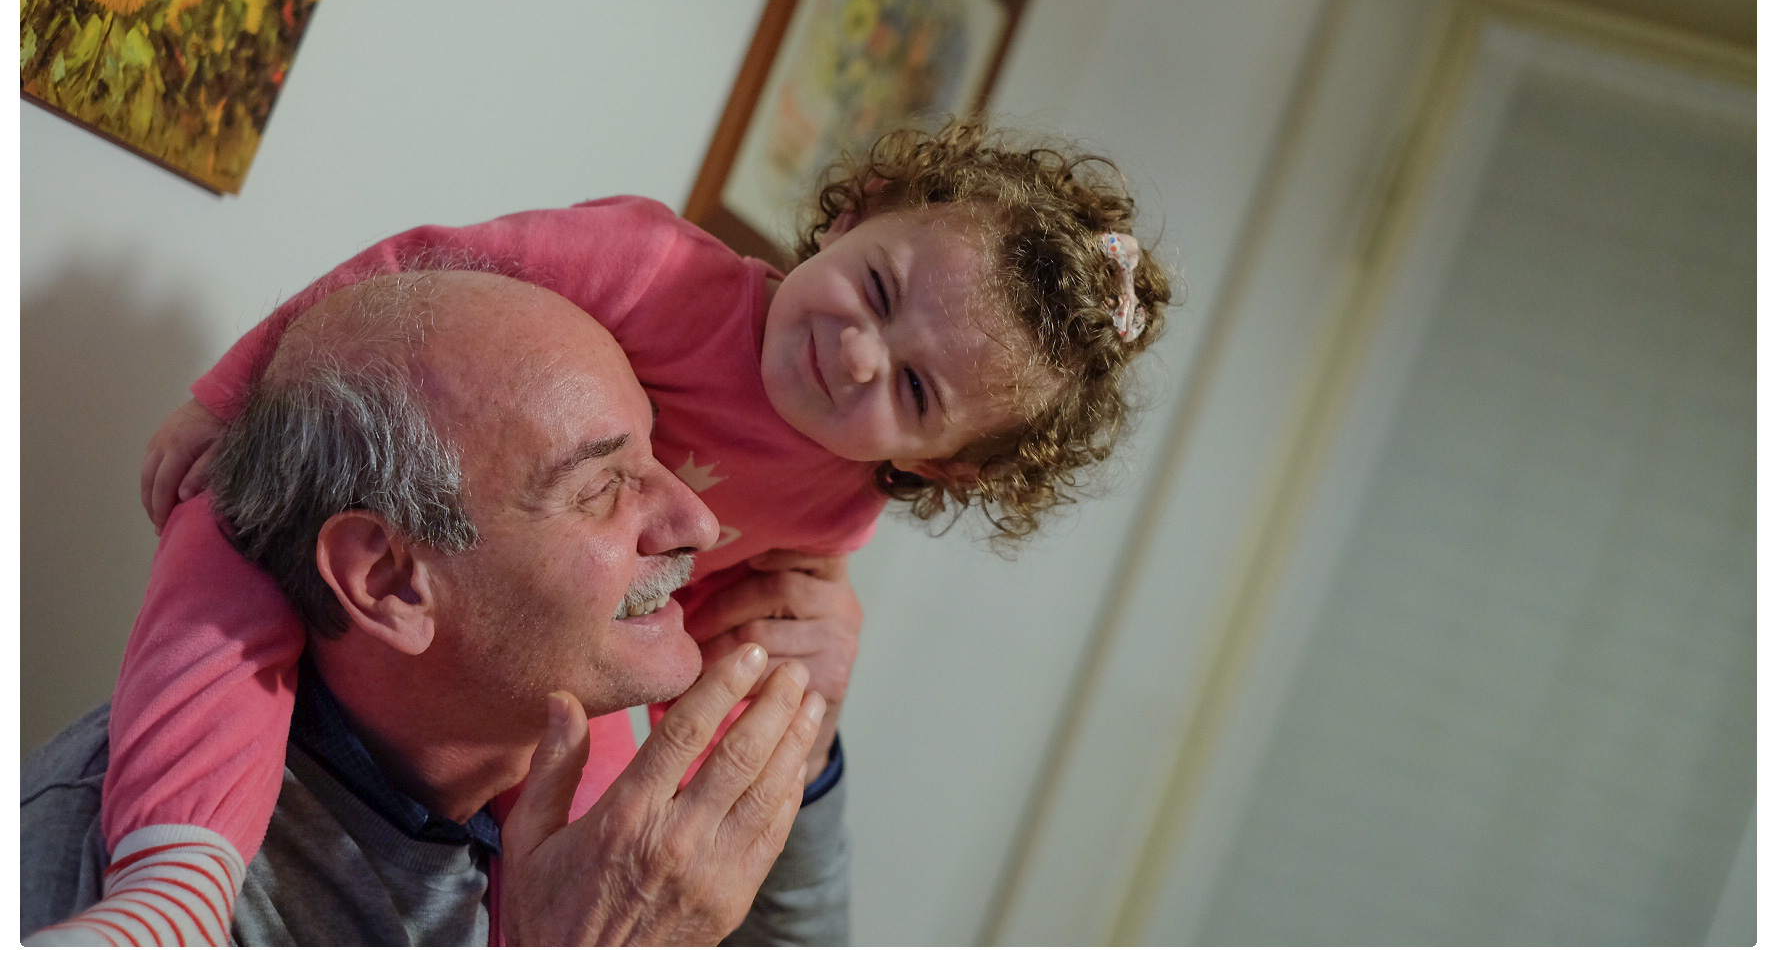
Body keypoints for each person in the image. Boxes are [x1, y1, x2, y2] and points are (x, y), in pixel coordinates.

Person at [102, 119, 1176, 941]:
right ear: (856, 215)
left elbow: (720, 655)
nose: (855, 354)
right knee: (222, 545)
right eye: (879, 289)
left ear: (941, 462)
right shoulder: (654, 265)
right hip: (393, 514)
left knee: (619, 812)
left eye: (910, 385)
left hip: (584, 659)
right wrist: (230, 392)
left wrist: (759, 737)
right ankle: (175, 886)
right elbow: (404, 277)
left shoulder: (845, 502)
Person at [23, 271, 847, 945]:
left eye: (655, 452)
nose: (697, 523)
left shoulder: (600, 808)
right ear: (387, 580)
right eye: (601, 487)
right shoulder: (108, 868)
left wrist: (801, 758)